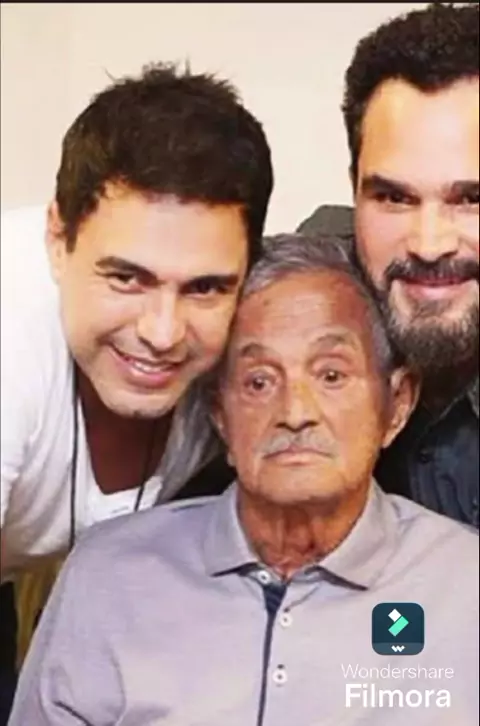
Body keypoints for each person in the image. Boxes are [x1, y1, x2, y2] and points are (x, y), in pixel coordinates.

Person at [8, 234, 478, 726]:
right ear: (220, 415)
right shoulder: (109, 575)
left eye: (331, 376)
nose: (295, 413)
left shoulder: (465, 586)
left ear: (396, 403)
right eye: (259, 381)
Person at [0, 61, 273, 721]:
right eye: (127, 278)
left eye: (205, 287)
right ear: (57, 239)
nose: (162, 333)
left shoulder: (256, 336)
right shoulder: (10, 343)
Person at [298, 2, 479, 527]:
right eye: (394, 198)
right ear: (353, 187)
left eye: (471, 199)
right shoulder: (293, 294)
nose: (429, 244)